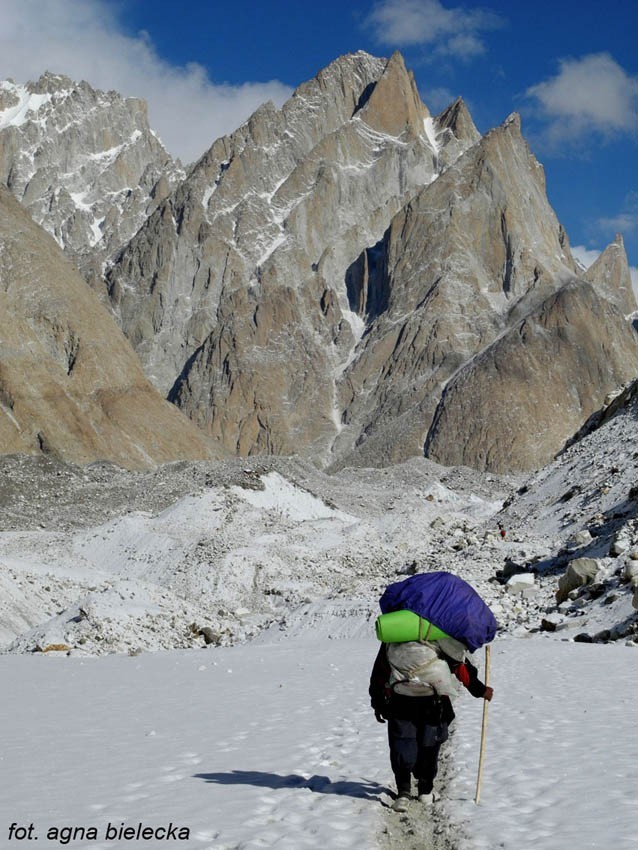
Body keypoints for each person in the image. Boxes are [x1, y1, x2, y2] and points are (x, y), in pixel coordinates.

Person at [369, 640, 493, 811]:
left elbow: (380, 672)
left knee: (402, 743)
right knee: (430, 745)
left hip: (400, 702)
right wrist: (480, 690)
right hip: (433, 703)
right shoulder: (439, 635)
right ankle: (425, 791)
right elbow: (459, 666)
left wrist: (378, 702)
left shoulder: (394, 637)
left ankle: (403, 792)